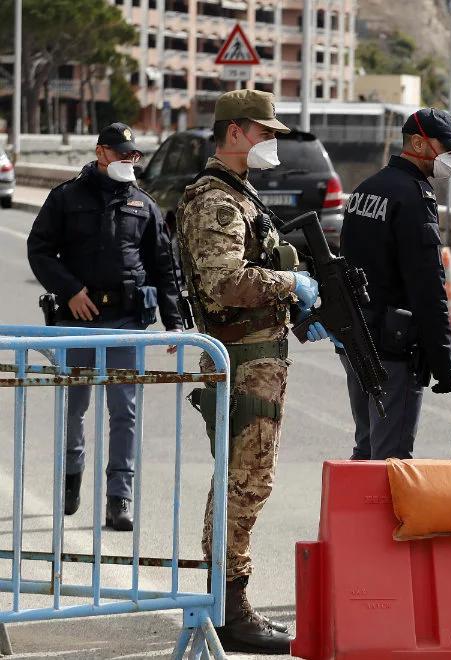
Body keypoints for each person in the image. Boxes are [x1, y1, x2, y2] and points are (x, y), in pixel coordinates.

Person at [175, 89, 330, 654]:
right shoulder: (216, 200)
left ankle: (225, 600)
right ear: (235, 132)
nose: (271, 144)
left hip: (256, 357)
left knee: (246, 481)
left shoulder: (240, 195)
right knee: (245, 483)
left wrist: (295, 308)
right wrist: (291, 284)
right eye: (265, 134)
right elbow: (222, 283)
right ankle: (230, 606)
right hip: (240, 363)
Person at [26, 122, 183, 533]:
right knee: (74, 406)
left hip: (126, 323)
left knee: (124, 412)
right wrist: (71, 290)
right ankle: (71, 476)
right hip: (76, 321)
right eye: (121, 154)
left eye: (134, 156)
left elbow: (164, 267)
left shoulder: (143, 206)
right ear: (101, 153)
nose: (129, 162)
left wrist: (174, 324)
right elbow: (39, 249)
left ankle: (119, 498)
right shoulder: (65, 198)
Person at [338, 108, 451, 460]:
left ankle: (353, 516)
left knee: (366, 449)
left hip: (357, 339)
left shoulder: (366, 190)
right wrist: (443, 360)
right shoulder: (413, 198)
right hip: (393, 351)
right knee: (390, 460)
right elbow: (427, 287)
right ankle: (376, 518)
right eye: (448, 149)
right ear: (418, 143)